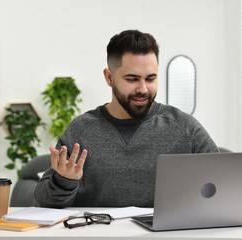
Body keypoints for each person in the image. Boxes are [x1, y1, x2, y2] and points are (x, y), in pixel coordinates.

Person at [34, 29, 219, 208]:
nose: (143, 89)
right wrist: (65, 181)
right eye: (132, 79)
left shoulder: (183, 127)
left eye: (150, 78)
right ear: (109, 77)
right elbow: (44, 201)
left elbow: (224, 182)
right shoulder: (82, 130)